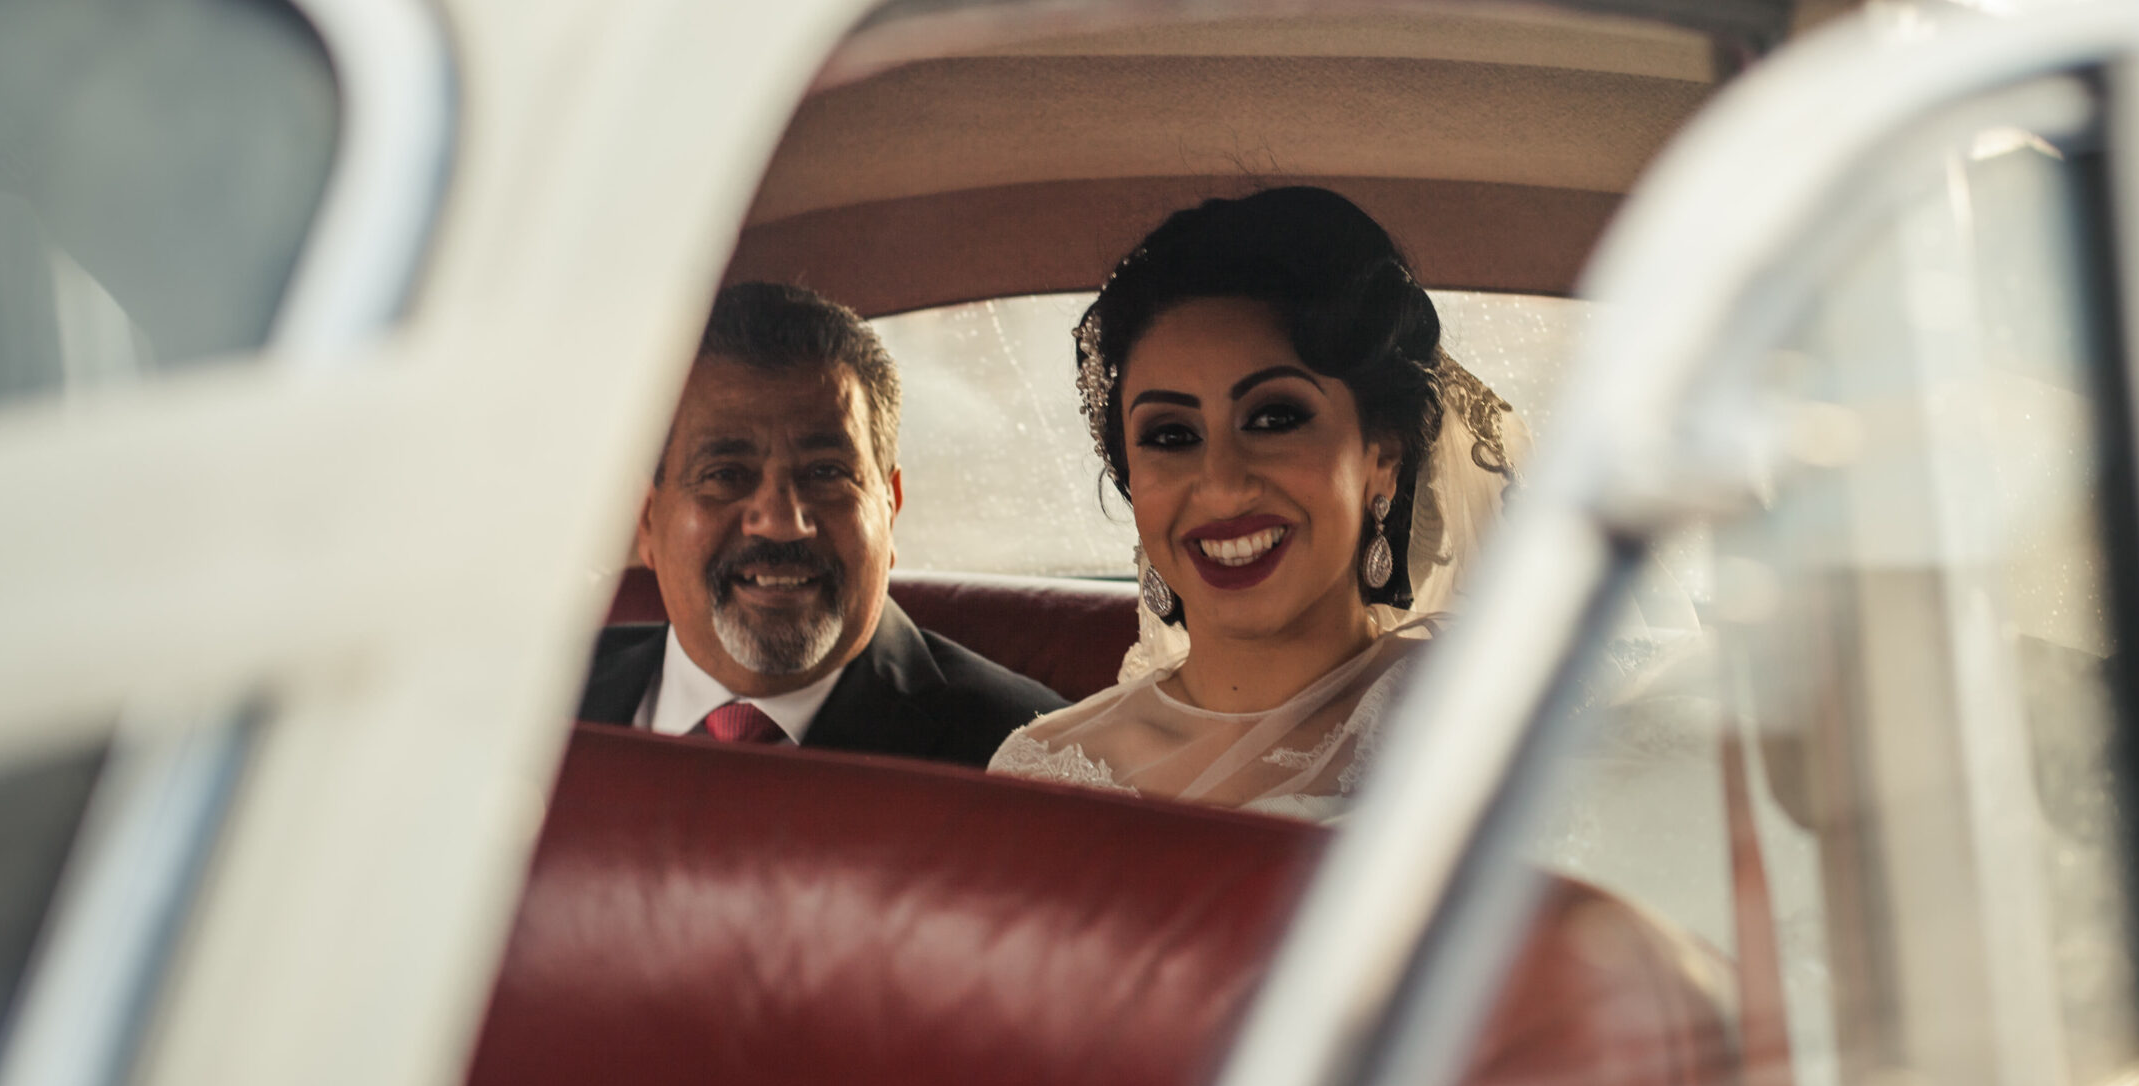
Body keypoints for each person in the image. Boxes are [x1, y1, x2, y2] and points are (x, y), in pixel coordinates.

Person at [989, 187, 1520, 819]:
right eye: (1171, 436)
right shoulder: (1039, 771)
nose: (1222, 485)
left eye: (1274, 418)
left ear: (1384, 455)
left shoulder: (1492, 721)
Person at [582, 281, 1063, 762]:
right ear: (647, 519)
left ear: (889, 508)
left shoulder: (1030, 757)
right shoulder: (532, 702)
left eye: (826, 473)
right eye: (726, 475)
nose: (779, 522)